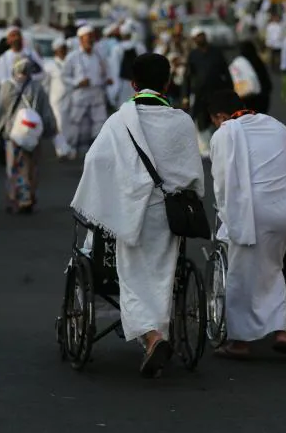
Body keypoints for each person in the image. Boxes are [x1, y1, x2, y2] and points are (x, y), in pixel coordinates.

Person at [70, 53, 204, 377]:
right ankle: (160, 332)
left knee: (131, 279)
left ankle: (152, 336)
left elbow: (95, 163)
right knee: (163, 275)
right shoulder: (183, 121)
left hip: (130, 212)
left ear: (132, 84)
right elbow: (194, 176)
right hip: (170, 215)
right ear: (168, 83)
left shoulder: (120, 121)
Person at [207, 89, 286, 359]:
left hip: (250, 212)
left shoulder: (224, 134)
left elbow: (222, 181)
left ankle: (240, 342)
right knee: (274, 269)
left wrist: (226, 212)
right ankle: (280, 332)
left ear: (220, 116)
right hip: (283, 211)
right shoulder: (275, 126)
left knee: (241, 275)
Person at [0, 57, 57, 213]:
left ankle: (15, 197)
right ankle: (28, 196)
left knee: (13, 166)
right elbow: (46, 112)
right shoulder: (36, 87)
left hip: (12, 134)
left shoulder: (6, 87)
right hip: (32, 133)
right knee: (30, 166)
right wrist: (50, 130)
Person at [61, 25, 111, 155]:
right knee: (77, 124)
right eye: (87, 38)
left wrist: (107, 79)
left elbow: (106, 72)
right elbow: (64, 76)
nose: (90, 41)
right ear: (81, 40)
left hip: (97, 94)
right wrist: (77, 82)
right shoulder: (72, 56)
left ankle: (97, 151)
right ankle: (73, 148)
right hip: (80, 95)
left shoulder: (99, 56)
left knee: (100, 122)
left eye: (91, 38)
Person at [184, 27, 233, 157]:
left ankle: (222, 147)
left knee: (220, 120)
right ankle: (207, 149)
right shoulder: (193, 55)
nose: (201, 38)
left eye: (202, 35)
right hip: (200, 95)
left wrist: (230, 91)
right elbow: (187, 77)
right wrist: (185, 96)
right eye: (198, 36)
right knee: (202, 121)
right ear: (194, 40)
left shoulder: (216, 52)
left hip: (217, 93)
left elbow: (226, 73)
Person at [44, 37, 75, 159]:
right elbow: (45, 83)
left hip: (70, 98)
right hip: (55, 100)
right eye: (60, 49)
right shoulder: (49, 65)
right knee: (58, 124)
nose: (63, 51)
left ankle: (67, 147)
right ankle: (61, 150)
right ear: (55, 50)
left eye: (64, 48)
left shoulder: (70, 63)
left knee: (68, 124)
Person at [109, 21, 147, 110]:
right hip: (138, 85)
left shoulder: (116, 49)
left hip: (123, 85)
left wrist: (114, 91)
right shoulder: (140, 47)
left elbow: (115, 70)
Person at [235, 40, 273, 114]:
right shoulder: (257, 61)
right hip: (262, 96)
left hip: (248, 98)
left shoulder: (241, 63)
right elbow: (265, 78)